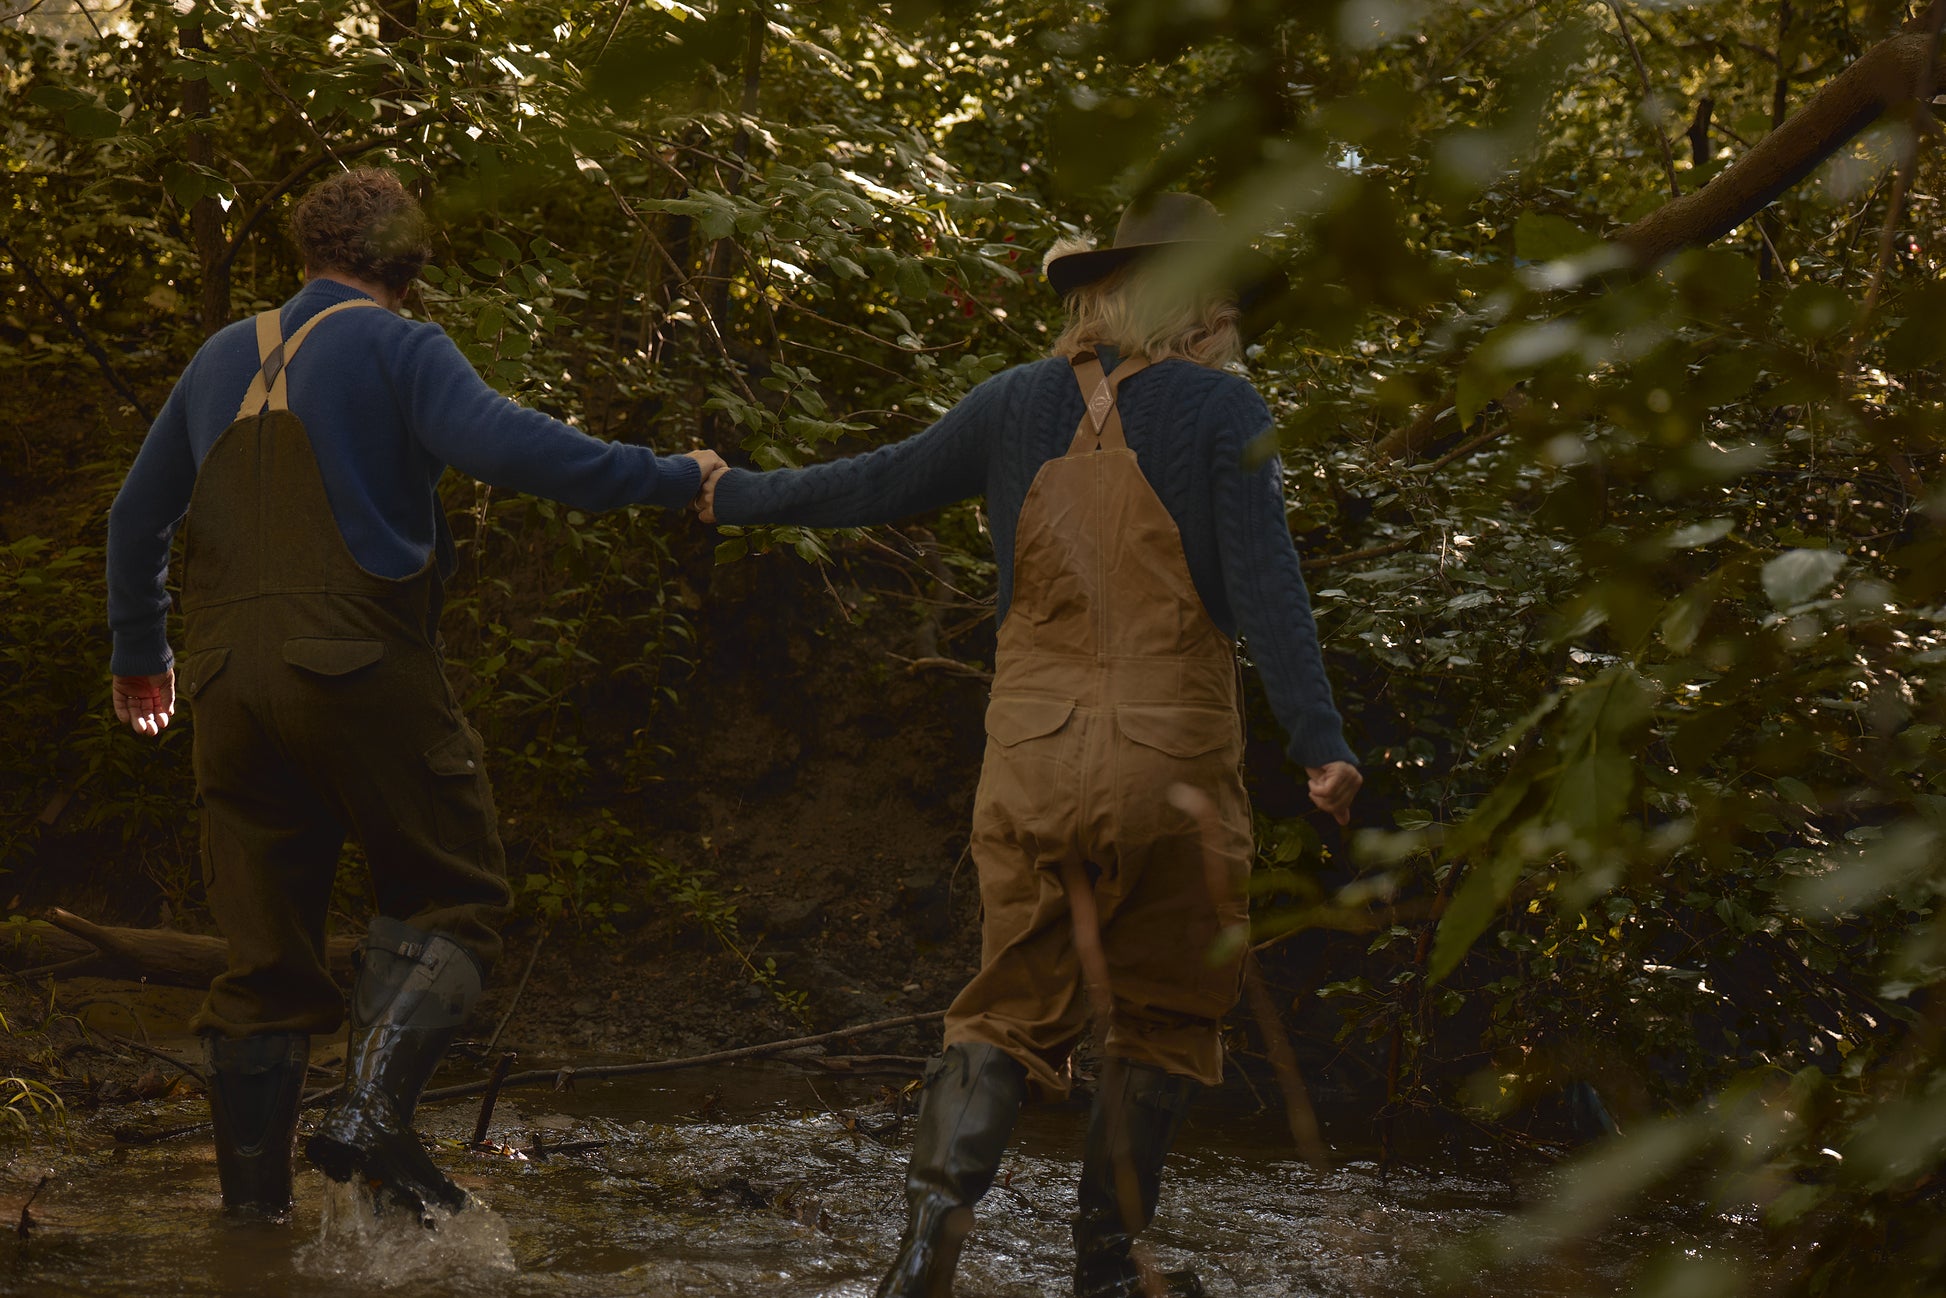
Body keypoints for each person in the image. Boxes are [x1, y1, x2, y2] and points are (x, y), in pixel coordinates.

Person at [697, 192, 1361, 1297]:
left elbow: (873, 483)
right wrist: (1319, 742)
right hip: (1170, 762)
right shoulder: (1224, 415)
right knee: (1159, 1012)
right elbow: (1268, 592)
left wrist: (731, 494)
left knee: (1003, 1004)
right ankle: (1106, 1265)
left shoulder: (1011, 403)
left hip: (1033, 755)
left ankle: (921, 1254)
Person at [105, 166, 721, 1224]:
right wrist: (672, 475)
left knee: (261, 966)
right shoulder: (400, 346)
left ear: (308, 248)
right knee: (452, 893)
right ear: (409, 259)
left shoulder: (217, 358)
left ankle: (253, 1233)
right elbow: (515, 449)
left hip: (221, 686)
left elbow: (135, 518)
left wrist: (141, 653)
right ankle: (370, 1114)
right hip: (357, 667)